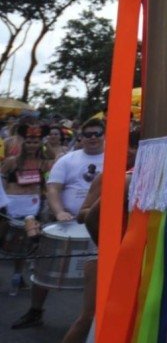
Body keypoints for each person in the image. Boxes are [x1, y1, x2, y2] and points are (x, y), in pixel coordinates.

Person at [12, 118, 105, 329]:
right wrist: (59, 211)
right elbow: (53, 188)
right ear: (80, 137)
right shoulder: (67, 160)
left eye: (97, 133)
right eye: (88, 134)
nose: (92, 137)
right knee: (46, 268)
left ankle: (93, 320)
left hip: (100, 225)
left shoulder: (116, 158)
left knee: (97, 274)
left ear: (103, 135)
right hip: (67, 223)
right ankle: (35, 311)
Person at [1, 124, 52, 291]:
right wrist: (2, 202)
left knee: (24, 243)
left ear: (40, 143)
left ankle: (18, 275)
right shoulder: (12, 161)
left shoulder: (43, 163)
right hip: (10, 205)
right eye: (29, 141)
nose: (32, 145)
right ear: (23, 142)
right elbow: (1, 179)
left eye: (35, 142)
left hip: (32, 207)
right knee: (3, 238)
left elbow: (47, 183)